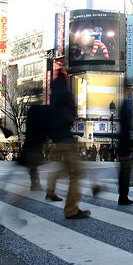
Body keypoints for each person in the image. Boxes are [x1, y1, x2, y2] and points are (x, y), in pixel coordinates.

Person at [46, 67, 90, 219]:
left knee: (62, 166)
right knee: (76, 172)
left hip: (56, 137)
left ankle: (50, 190)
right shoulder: (66, 94)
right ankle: (71, 209)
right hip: (65, 136)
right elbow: (70, 114)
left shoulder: (53, 95)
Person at [117, 88, 133, 206]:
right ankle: (123, 197)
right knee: (125, 171)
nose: (130, 94)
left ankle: (123, 196)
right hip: (124, 145)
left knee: (124, 171)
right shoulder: (125, 107)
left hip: (122, 144)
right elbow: (126, 127)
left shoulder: (123, 106)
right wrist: (129, 144)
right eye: (129, 91)